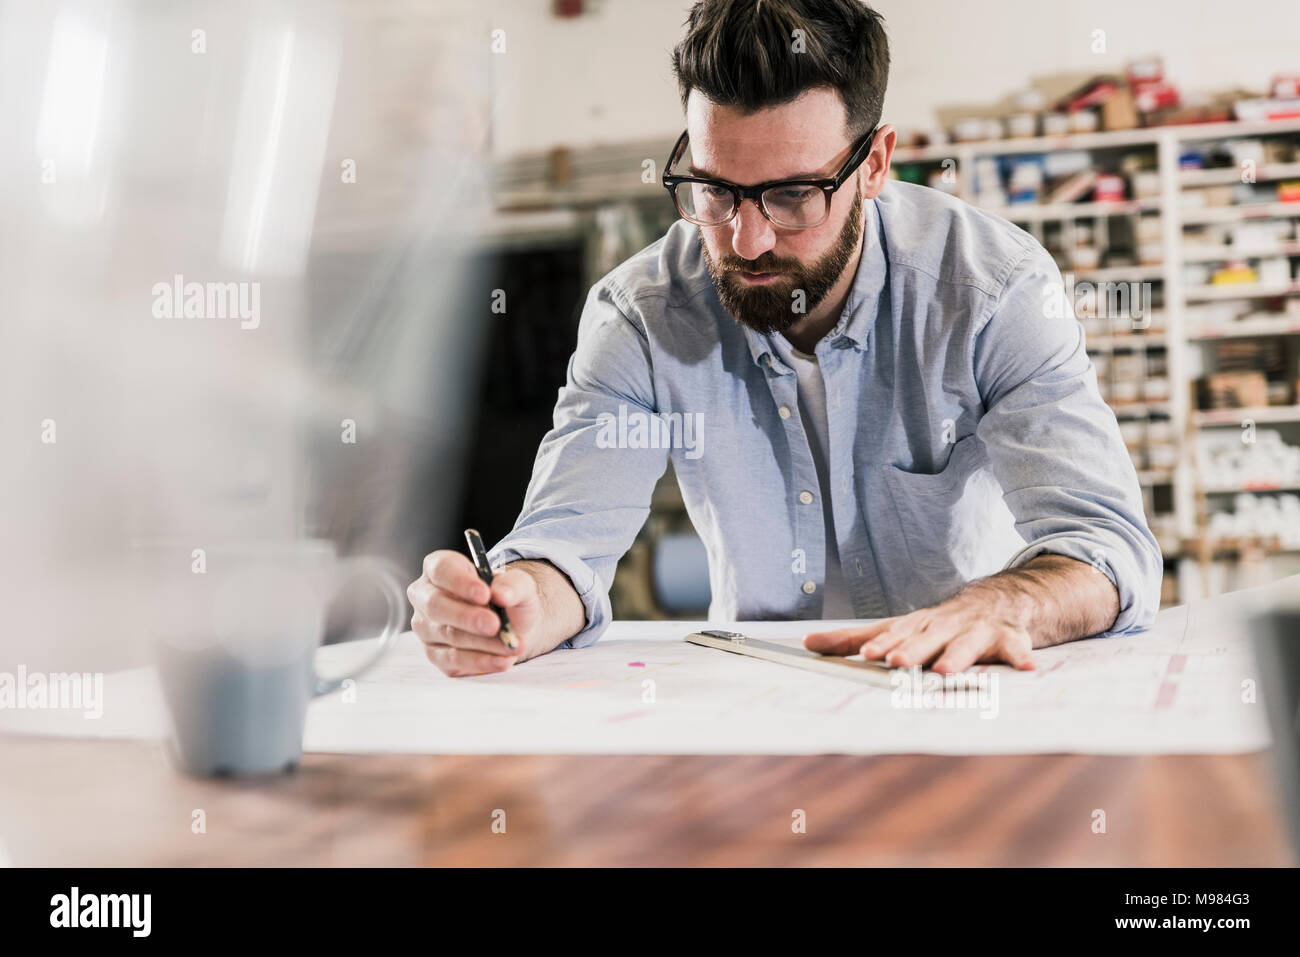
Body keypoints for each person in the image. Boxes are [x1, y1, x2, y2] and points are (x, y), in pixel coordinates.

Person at [407, 0, 1162, 677]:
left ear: (873, 164)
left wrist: (1006, 604)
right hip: (758, 699)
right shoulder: (641, 315)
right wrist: (513, 603)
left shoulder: (994, 291)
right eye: (715, 190)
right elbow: (566, 542)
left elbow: (1106, 545)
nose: (747, 237)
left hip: (960, 685)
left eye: (793, 194)